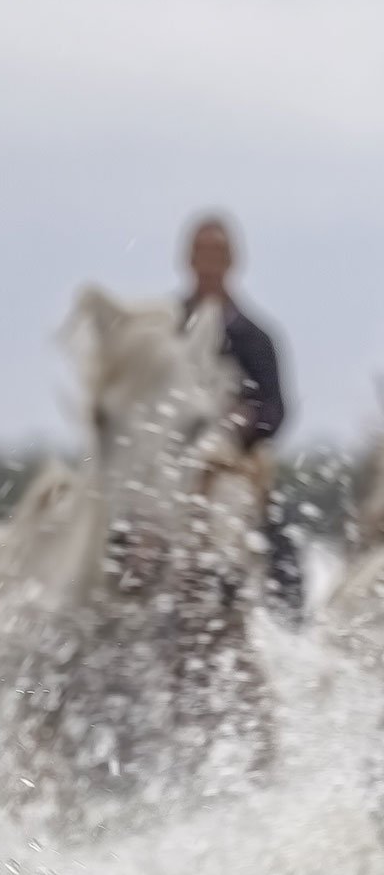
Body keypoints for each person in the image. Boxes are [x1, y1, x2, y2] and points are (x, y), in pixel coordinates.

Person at [178, 212, 303, 621]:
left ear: (232, 261)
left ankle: (288, 629)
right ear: (188, 260)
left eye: (217, 254)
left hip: (236, 462)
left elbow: (277, 409)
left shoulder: (256, 337)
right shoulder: (168, 329)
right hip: (174, 462)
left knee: (279, 540)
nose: (209, 264)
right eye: (202, 254)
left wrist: (243, 421)